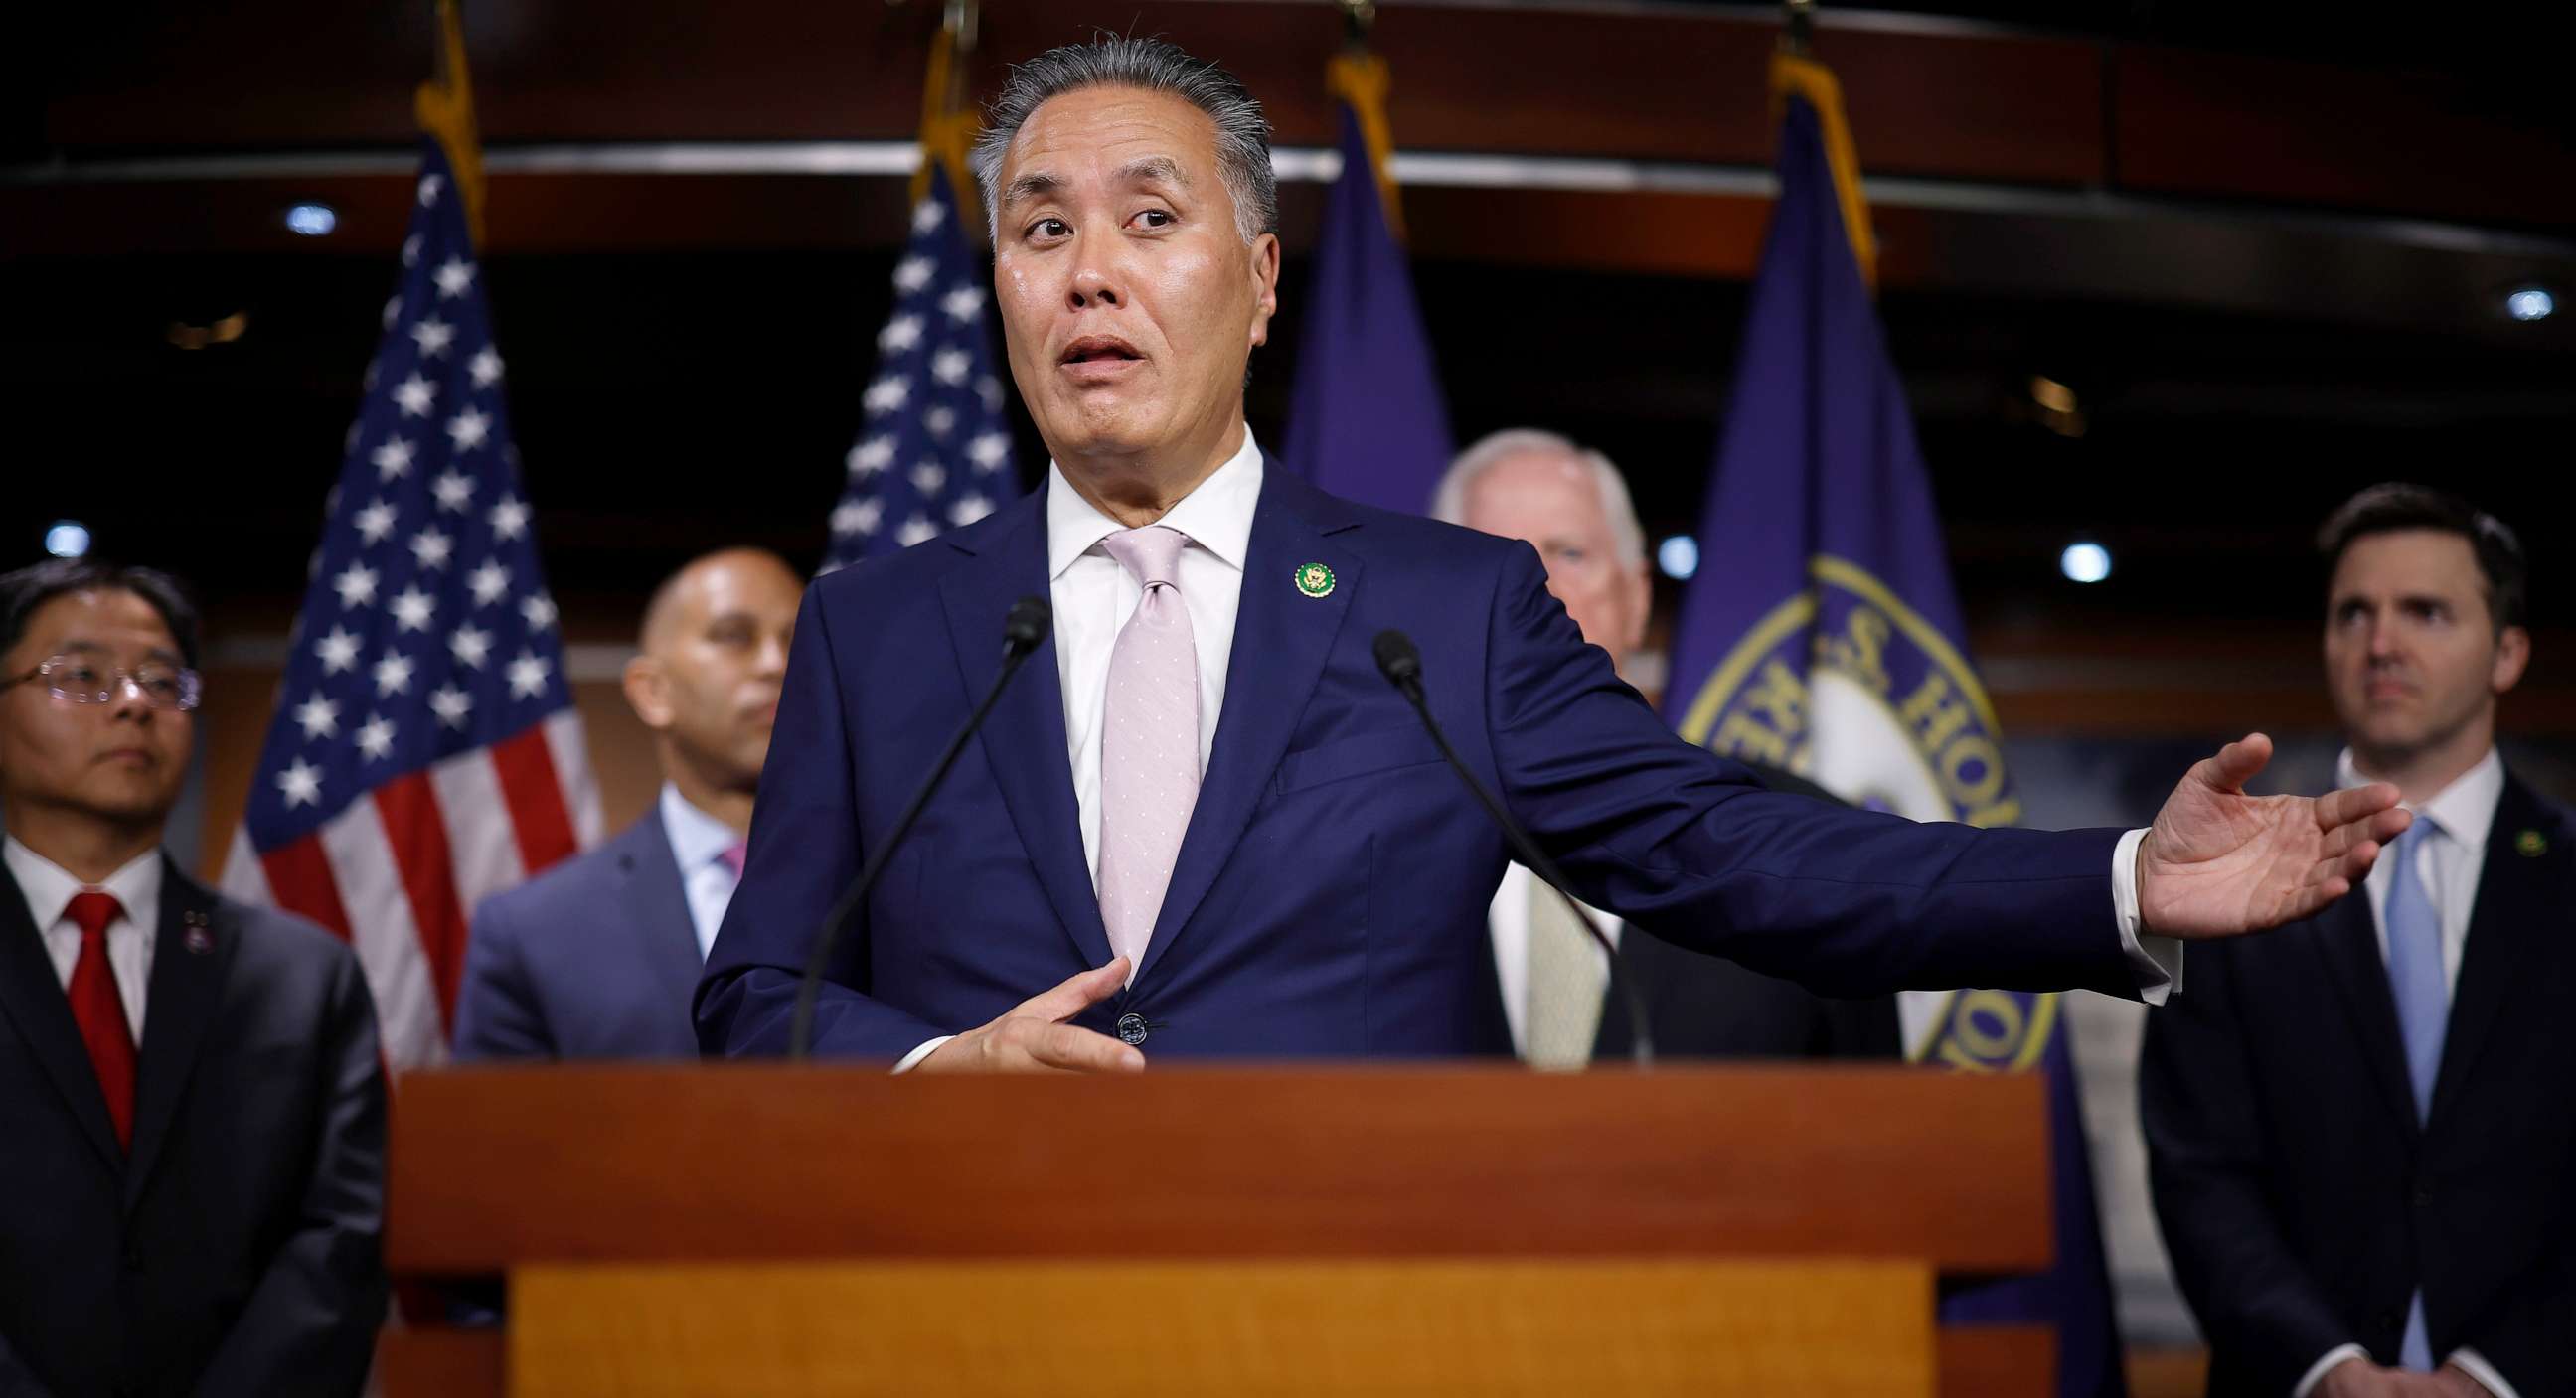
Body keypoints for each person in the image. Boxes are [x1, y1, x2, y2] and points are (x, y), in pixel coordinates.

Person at [698, 35, 2406, 1072]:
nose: (1088, 272)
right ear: (995, 281)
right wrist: (929, 1058)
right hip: (972, 1323)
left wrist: (2113, 881)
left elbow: (1743, 854)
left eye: (1150, 219)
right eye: (1039, 228)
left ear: (1262, 280)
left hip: (1385, 1328)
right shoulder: (879, 626)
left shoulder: (1438, 614)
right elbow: (755, 992)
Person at [2142, 486, 2570, 1398]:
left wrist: (2487, 1390)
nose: (2381, 640)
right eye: (2355, 614)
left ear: (2508, 651)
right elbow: (2197, 1173)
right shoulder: (2226, 885)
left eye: (2426, 611)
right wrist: (2337, 1376)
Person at [0, 558, 386, 1398]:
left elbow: (340, 1241)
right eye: (82, 675)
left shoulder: (300, 972)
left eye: (165, 681)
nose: (133, 704)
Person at [1434, 428, 1898, 1064]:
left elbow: (1880, 1128)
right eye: (1495, 556)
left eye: (1569, 553)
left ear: (1636, 597)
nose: (1535, 590)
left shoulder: (1800, 840)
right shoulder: (1359, 837)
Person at [455, 546, 801, 1059]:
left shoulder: (899, 894)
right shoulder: (533, 934)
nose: (777, 663)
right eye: (735, 636)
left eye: (797, 641)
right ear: (652, 691)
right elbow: (498, 1138)